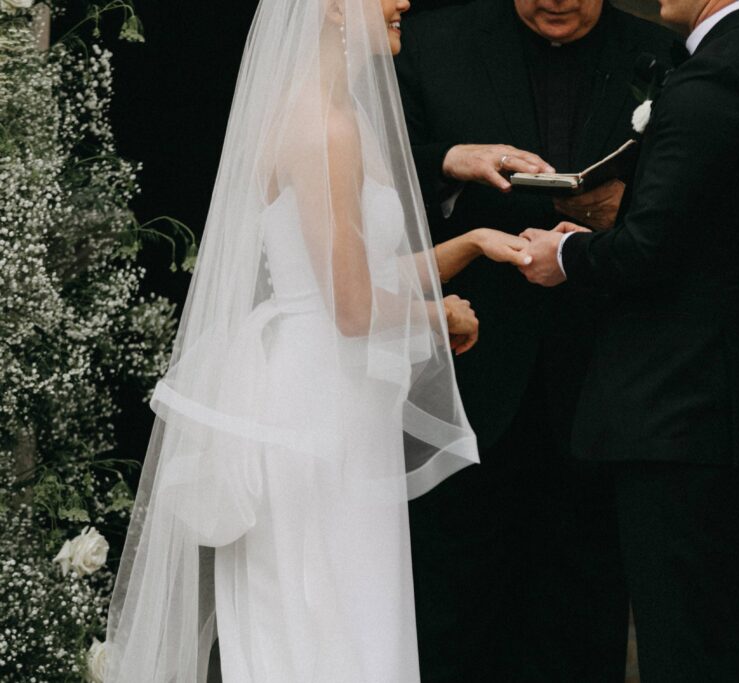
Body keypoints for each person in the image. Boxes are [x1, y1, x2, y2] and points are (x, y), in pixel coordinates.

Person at [103, 0, 530, 680]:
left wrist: (476, 245)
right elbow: (355, 307)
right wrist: (440, 317)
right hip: (314, 414)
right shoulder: (325, 126)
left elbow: (363, 271)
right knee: (323, 623)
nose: (403, 4)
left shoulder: (340, 114)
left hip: (338, 403)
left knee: (344, 613)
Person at [518, 0, 739, 680]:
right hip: (726, 405)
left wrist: (565, 257)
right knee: (728, 649)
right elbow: (707, 237)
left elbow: (649, 250)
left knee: (690, 657)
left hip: (682, 416)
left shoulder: (715, 80)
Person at [394, 2, 678, 680]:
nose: (557, 1)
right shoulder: (435, 41)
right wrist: (448, 162)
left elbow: (690, 199)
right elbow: (362, 171)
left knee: (583, 617)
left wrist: (623, 211)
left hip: (599, 384)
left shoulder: (663, 55)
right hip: (467, 378)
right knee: (451, 616)